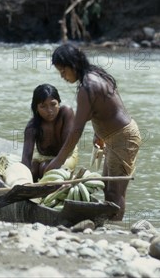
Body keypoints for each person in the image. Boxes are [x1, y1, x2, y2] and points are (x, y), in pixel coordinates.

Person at [46, 43, 141, 221]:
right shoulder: (95, 75)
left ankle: (117, 228)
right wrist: (100, 134)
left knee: (115, 190)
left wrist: (58, 161)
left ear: (73, 65)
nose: (62, 76)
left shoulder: (87, 87)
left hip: (122, 138)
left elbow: (76, 130)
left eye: (63, 71)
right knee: (109, 187)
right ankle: (113, 223)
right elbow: (108, 108)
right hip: (118, 136)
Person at [21, 84, 77, 182]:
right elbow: (26, 158)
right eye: (43, 106)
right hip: (41, 156)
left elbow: (68, 147)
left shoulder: (66, 113)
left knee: (45, 169)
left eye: (53, 104)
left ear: (59, 103)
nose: (49, 110)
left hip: (66, 155)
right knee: (32, 171)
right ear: (36, 108)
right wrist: (25, 178)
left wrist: (56, 162)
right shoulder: (32, 126)